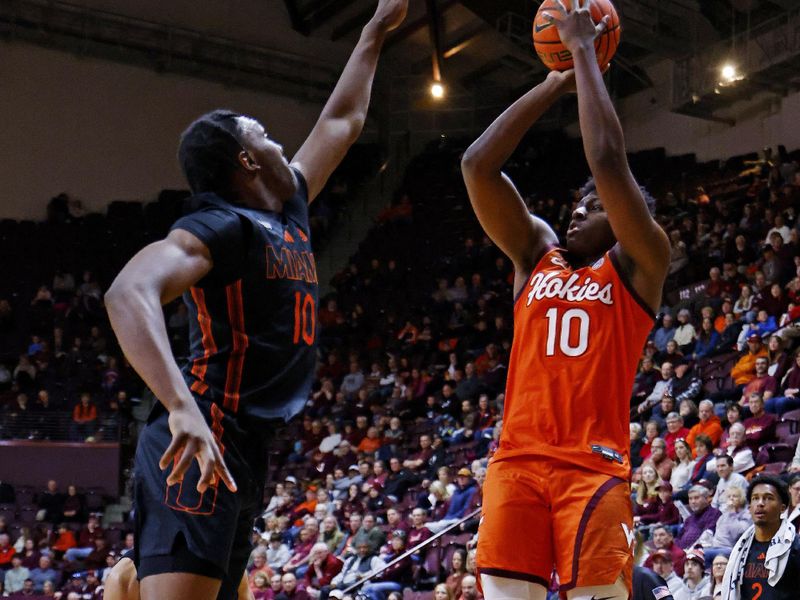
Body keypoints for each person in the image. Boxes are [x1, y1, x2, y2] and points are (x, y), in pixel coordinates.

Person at [103, 2, 408, 599]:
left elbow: (342, 121)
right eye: (262, 133)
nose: (278, 141)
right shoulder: (219, 225)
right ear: (245, 159)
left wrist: (376, 28)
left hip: (245, 445)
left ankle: (129, 578)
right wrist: (181, 405)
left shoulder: (287, 208)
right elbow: (128, 291)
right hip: (201, 433)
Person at [462, 4, 670, 598]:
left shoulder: (641, 262)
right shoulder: (536, 256)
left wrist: (583, 53)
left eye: (595, 205)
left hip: (594, 470)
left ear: (630, 217)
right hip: (516, 465)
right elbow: (477, 165)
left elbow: (606, 161)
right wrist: (552, 82)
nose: (578, 208)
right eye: (576, 203)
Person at [721, 475, 800, 599]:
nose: (760, 503)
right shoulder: (740, 549)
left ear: (782, 508)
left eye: (768, 498)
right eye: (755, 498)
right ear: (749, 508)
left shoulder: (795, 546)